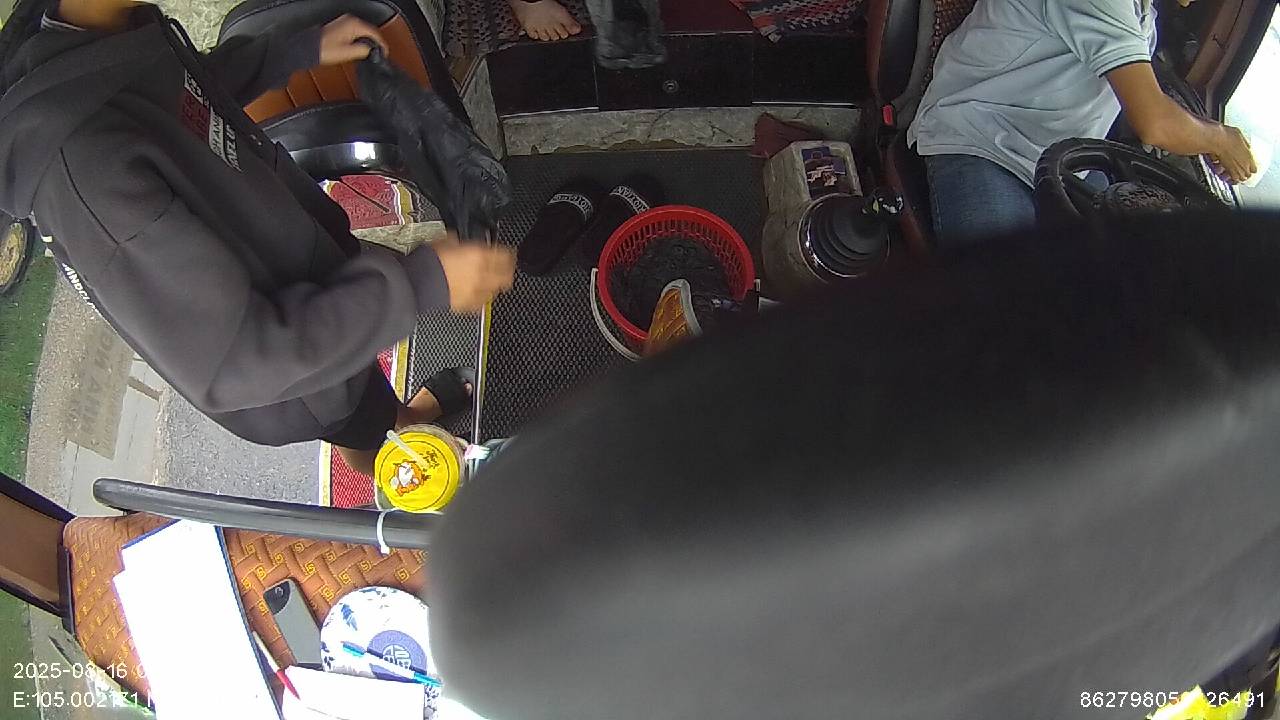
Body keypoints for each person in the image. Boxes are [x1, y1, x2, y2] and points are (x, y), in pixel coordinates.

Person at [0, 0, 516, 475]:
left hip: (311, 278)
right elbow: (241, 360)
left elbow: (186, 92)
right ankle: (396, 460)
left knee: (366, 394)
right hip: (296, 375)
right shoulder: (84, 169)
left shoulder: (102, 35)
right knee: (358, 421)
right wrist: (423, 282)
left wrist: (292, 52)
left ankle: (401, 419)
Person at [907, 0, 1258, 252]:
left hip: (1059, 158)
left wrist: (1198, 133)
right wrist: (1219, 139)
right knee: (1007, 308)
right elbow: (1154, 122)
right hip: (982, 141)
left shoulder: (1141, 13)